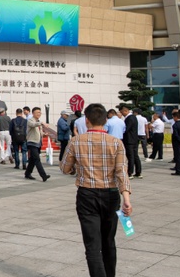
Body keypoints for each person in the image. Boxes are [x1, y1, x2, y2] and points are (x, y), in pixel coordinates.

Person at [60, 103, 132, 277]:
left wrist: (77, 169)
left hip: (87, 195)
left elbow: (65, 168)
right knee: (109, 241)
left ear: (87, 120)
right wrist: (127, 199)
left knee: (92, 244)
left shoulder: (76, 141)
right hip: (111, 195)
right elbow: (122, 172)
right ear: (105, 120)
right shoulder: (116, 143)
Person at [24, 107, 50, 182]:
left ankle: (27, 173)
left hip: (37, 143)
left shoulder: (38, 122)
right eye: (37, 112)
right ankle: (43, 176)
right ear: (33, 113)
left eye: (40, 112)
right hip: (32, 142)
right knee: (37, 159)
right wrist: (42, 123)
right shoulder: (30, 120)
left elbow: (39, 132)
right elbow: (33, 125)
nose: (39, 114)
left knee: (32, 160)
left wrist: (44, 134)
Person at [119, 105, 141, 179]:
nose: (122, 114)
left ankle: (130, 172)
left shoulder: (129, 118)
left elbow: (126, 129)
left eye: (122, 112)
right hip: (134, 139)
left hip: (129, 140)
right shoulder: (133, 117)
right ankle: (138, 172)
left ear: (125, 111)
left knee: (130, 156)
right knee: (135, 156)